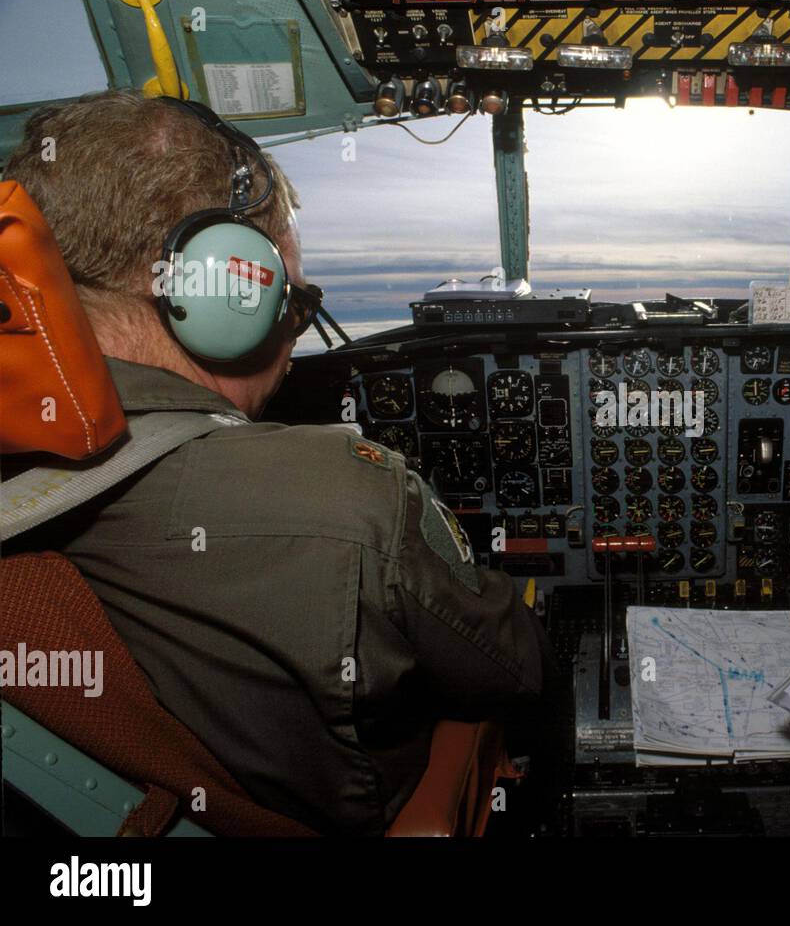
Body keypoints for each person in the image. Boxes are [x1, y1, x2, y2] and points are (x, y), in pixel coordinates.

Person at [3, 90, 558, 835]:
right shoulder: (351, 501)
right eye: (290, 306)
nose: (293, 352)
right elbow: (519, 669)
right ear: (225, 293)